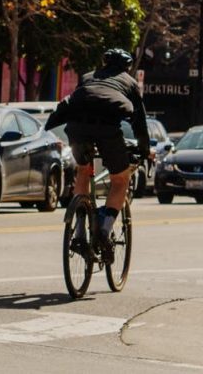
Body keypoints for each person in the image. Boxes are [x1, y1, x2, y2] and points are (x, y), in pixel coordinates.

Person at [45, 48, 151, 261]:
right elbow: (140, 121)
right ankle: (104, 229)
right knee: (120, 179)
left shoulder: (87, 77)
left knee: (83, 170)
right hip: (107, 130)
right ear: (127, 67)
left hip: (76, 129)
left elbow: (78, 102)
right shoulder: (129, 82)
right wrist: (144, 150)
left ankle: (80, 233)